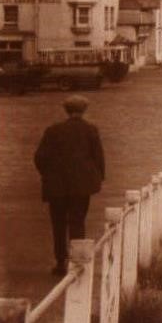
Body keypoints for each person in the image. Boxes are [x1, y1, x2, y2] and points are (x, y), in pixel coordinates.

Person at [34, 95, 105, 276]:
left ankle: (60, 262)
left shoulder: (53, 130)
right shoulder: (90, 130)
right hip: (81, 185)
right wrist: (97, 178)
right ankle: (76, 262)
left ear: (66, 110)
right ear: (84, 110)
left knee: (58, 224)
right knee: (77, 221)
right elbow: (98, 158)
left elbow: (39, 157)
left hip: (56, 185)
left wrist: (48, 175)